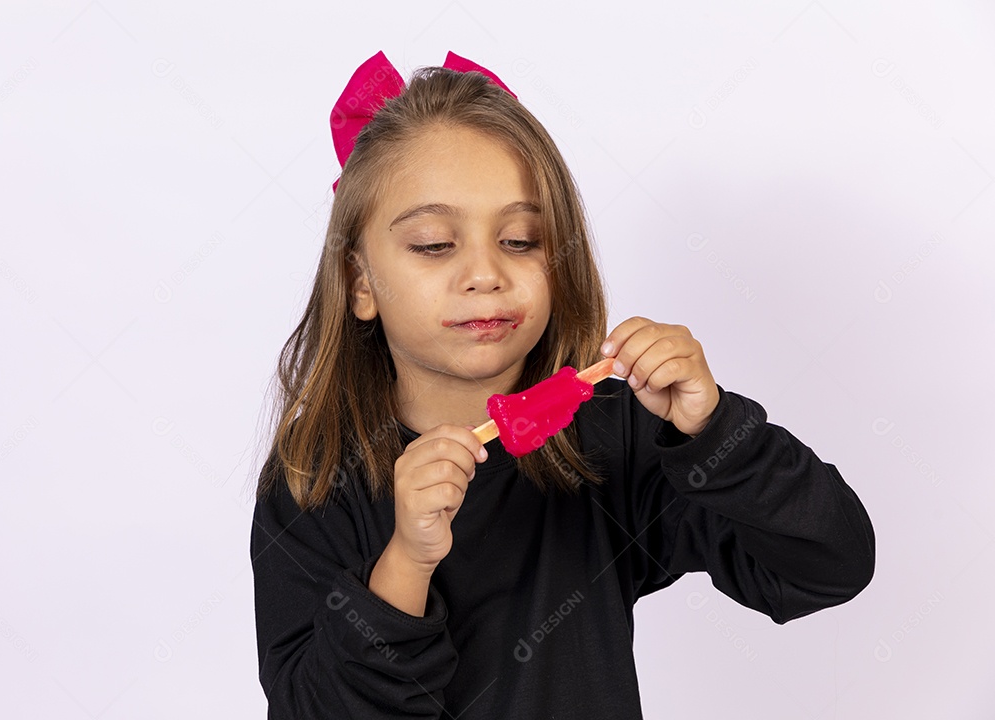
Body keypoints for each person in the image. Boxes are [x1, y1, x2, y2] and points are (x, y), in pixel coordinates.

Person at [250, 50, 875, 719]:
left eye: (520, 240)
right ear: (359, 282)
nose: (485, 273)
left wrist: (714, 432)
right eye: (435, 244)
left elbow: (828, 565)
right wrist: (407, 560)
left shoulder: (615, 435)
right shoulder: (311, 481)